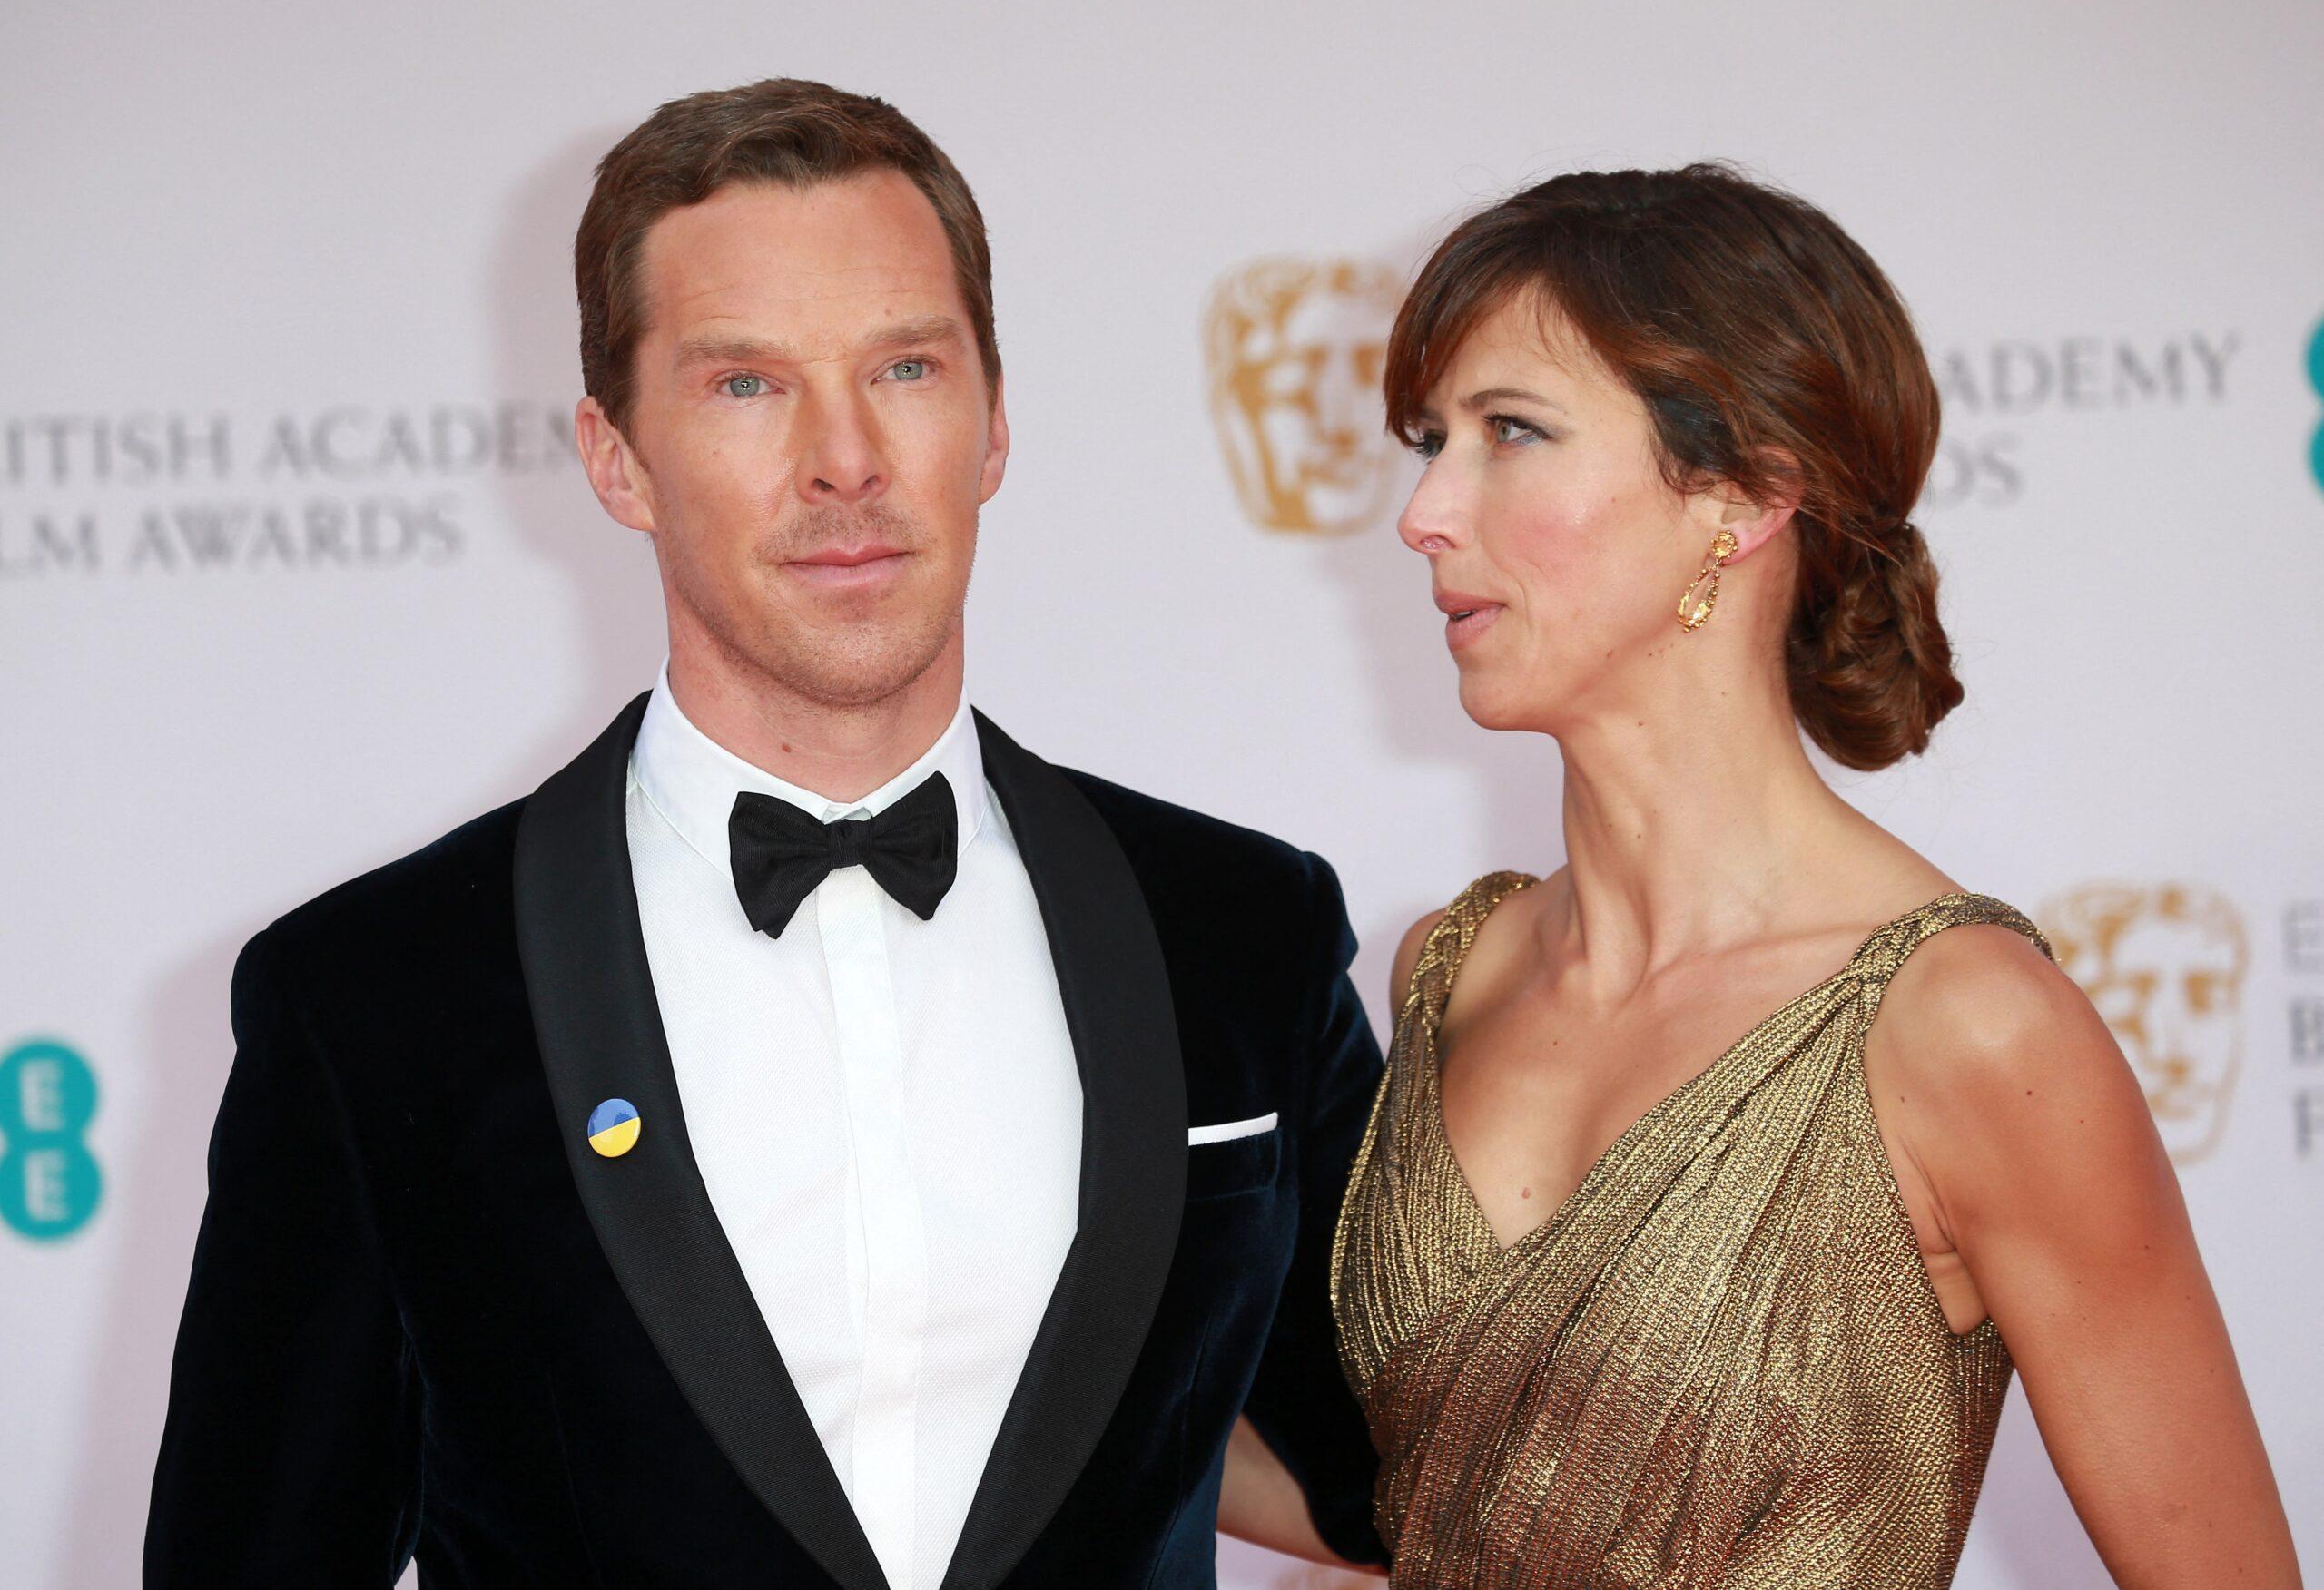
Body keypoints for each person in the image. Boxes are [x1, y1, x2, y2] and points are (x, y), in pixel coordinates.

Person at [145, 78, 1385, 1588]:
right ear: (616, 459)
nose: (846, 460)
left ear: (994, 421)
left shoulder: (1239, 930)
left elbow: (1402, 1476)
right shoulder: (373, 998)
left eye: (908, 368)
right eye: (747, 384)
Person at [1328, 164, 2301, 1587]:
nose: (1424, 511)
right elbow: (1443, 1498)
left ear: (1746, 493)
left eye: (1511, 434)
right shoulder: (1450, 968)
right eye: (1430, 441)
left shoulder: (1965, 1027)